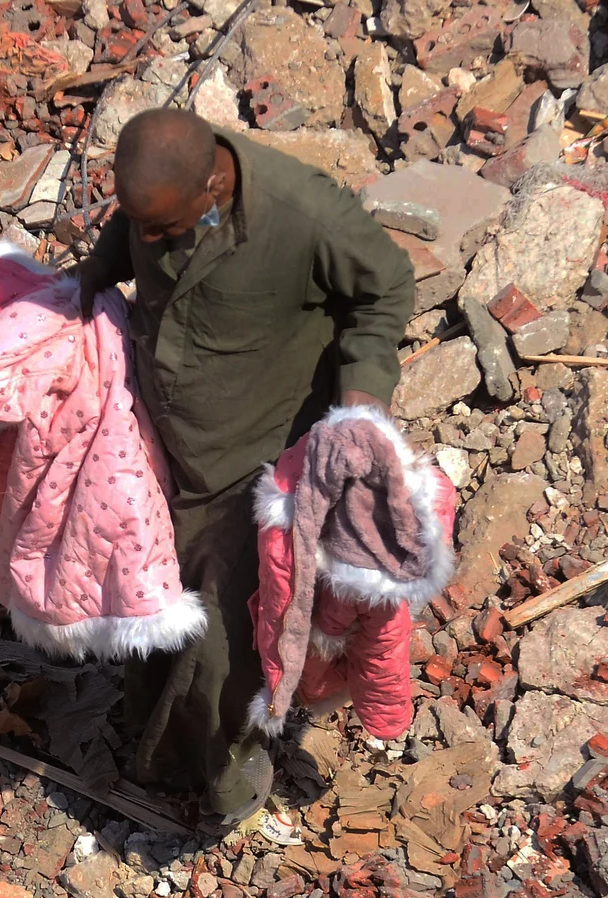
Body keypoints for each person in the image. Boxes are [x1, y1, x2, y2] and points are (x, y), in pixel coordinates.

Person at [76, 107, 416, 824]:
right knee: (151, 587)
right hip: (170, 445)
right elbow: (125, 238)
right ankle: (151, 736)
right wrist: (86, 283)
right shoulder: (157, 212)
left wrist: (362, 394)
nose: (152, 243)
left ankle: (217, 782)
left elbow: (386, 284)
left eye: (165, 228)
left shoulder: (301, 214)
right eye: (141, 227)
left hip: (257, 454)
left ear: (214, 183)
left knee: (229, 632)